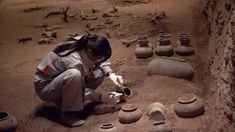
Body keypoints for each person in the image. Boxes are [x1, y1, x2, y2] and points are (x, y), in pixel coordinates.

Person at [33, 34, 125, 127]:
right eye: (99, 57)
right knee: (74, 75)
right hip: (46, 87)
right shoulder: (74, 62)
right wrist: (102, 96)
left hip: (60, 79)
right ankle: (67, 115)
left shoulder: (86, 41)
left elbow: (101, 58)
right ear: (89, 52)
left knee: (100, 72)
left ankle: (68, 101)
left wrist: (110, 74)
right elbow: (82, 90)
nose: (100, 59)